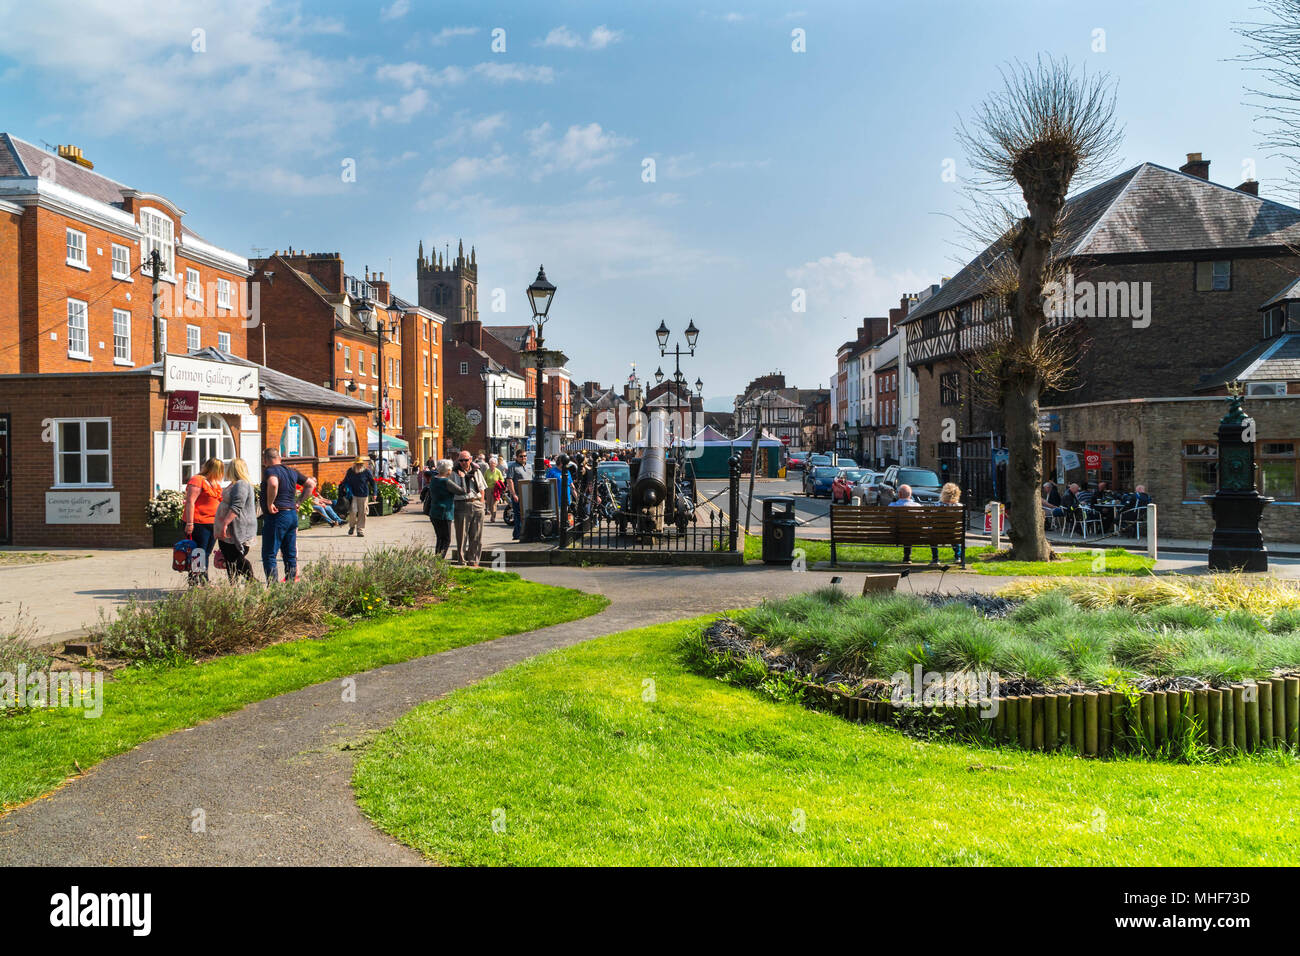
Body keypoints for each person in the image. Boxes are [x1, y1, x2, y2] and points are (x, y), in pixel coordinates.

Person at [261, 447, 314, 583]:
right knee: (290, 554)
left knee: (269, 554)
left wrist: (270, 503)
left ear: (266, 460)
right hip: (291, 515)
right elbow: (310, 484)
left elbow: (273, 484)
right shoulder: (292, 471)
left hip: (277, 516)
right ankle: (290, 585)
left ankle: (273, 588)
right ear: (279, 457)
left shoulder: (270, 470)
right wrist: (299, 502)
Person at [182, 457, 224, 585]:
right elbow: (190, 502)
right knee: (199, 552)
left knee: (205, 553)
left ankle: (203, 579)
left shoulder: (214, 483)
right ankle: (196, 580)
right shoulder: (197, 480)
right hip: (199, 523)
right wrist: (190, 523)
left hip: (212, 523)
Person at [215, 458, 256, 582]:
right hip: (229, 531)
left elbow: (236, 507)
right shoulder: (235, 484)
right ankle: (233, 587)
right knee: (229, 560)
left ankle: (253, 582)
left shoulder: (241, 484)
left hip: (235, 530)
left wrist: (224, 524)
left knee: (236, 559)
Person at [451, 450, 487, 566]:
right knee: (462, 535)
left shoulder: (476, 471)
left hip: (476, 503)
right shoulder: (454, 473)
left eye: (466, 460)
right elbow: (452, 489)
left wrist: (481, 503)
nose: (463, 462)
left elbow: (482, 488)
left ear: (470, 459)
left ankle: (474, 560)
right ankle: (461, 560)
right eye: (461, 460)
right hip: (462, 503)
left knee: (476, 534)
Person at [889, 483, 938, 565]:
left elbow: (888, 520)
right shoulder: (917, 506)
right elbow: (923, 522)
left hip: (896, 535)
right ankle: (935, 558)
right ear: (910, 494)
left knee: (905, 532)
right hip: (916, 535)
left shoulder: (892, 506)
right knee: (910, 532)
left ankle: (906, 557)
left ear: (899, 494)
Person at [422, 459, 458, 557]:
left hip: (434, 512)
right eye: (450, 469)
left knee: (440, 538)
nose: (451, 471)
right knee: (446, 539)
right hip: (445, 513)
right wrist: (464, 478)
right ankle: (439, 560)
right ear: (447, 470)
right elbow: (461, 491)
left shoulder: (434, 479)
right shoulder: (446, 481)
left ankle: (437, 559)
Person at [341, 457, 374, 537]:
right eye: (357, 464)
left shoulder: (366, 472)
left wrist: (375, 493)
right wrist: (344, 487)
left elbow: (373, 482)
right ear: (354, 464)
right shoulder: (350, 471)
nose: (359, 466)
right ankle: (352, 526)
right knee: (353, 512)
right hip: (353, 495)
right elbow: (345, 480)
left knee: (362, 513)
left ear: (362, 465)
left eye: (360, 464)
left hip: (363, 495)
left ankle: (360, 530)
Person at [506, 448, 531, 540]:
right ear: (516, 457)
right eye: (521, 456)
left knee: (526, 514)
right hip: (518, 494)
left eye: (525, 456)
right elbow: (509, 480)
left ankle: (518, 533)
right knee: (519, 515)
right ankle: (519, 534)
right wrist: (514, 494)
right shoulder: (513, 466)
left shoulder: (529, 466)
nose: (523, 458)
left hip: (528, 494)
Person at [939, 481, 964, 564]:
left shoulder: (937, 505)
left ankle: (935, 558)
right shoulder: (960, 507)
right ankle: (958, 556)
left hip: (939, 533)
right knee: (954, 533)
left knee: (933, 533)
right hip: (954, 534)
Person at [484, 455, 504, 523]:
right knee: (489, 504)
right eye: (491, 463)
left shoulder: (498, 471)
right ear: (489, 464)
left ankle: (493, 517)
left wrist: (498, 482)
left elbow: (502, 479)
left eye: (494, 463)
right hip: (488, 489)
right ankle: (492, 514)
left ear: (496, 464)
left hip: (496, 489)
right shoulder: (487, 471)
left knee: (494, 504)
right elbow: (484, 479)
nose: (492, 464)